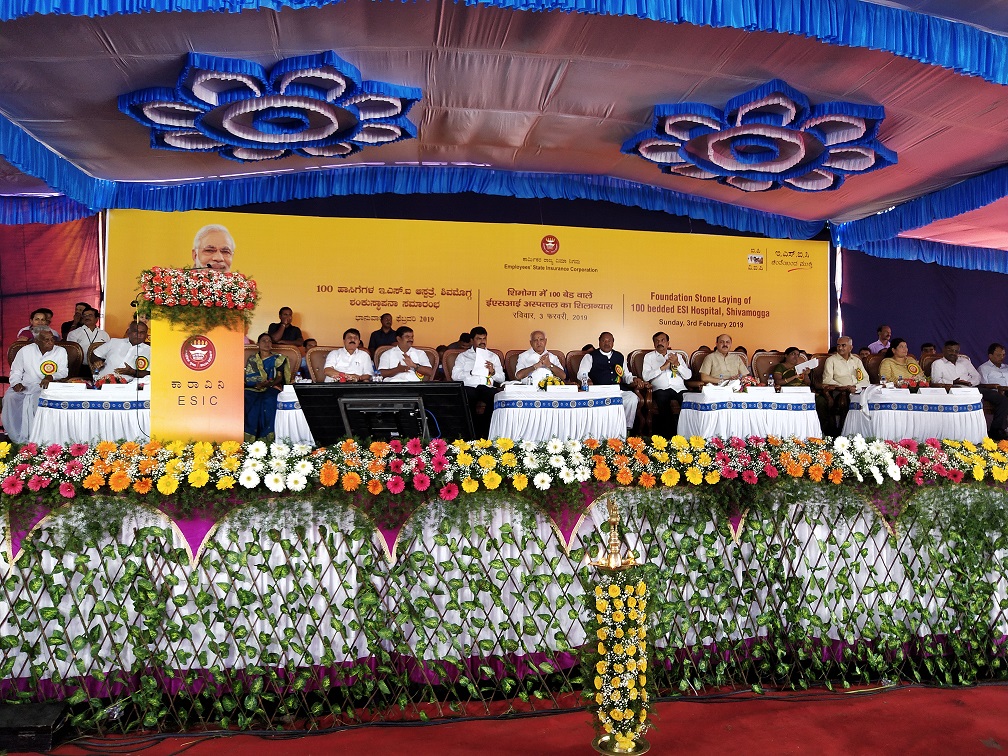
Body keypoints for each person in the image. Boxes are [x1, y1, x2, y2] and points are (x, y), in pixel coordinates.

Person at [932, 340, 1008, 441]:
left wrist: (969, 383)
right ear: (944, 350)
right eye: (950, 350)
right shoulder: (938, 363)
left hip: (972, 388)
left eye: (956, 351)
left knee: (1001, 399)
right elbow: (936, 381)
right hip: (953, 389)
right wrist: (953, 382)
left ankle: (995, 430)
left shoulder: (964, 361)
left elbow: (977, 376)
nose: (953, 353)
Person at [1, 329, 68, 443]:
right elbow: (16, 370)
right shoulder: (25, 350)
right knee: (10, 397)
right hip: (26, 384)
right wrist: (16, 383)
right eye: (46, 340)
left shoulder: (60, 351)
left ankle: (41, 438)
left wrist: (50, 377)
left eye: (52, 339)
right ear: (37, 341)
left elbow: (64, 372)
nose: (51, 342)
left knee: (38, 398)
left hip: (47, 386)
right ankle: (14, 435)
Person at [577, 332, 641, 432]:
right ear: (599, 342)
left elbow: (626, 375)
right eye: (604, 341)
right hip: (599, 391)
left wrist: (633, 379)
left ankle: (626, 428)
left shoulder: (619, 356)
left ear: (613, 343)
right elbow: (581, 373)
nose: (606, 343)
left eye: (609, 341)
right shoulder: (590, 356)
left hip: (617, 390)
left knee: (632, 398)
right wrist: (587, 380)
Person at [452, 326, 505, 438]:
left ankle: (486, 433)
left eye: (484, 338)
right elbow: (455, 376)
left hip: (486, 387)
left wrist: (493, 372)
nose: (482, 341)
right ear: (472, 340)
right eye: (479, 339)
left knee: (494, 397)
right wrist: (470, 372)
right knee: (467, 397)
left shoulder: (493, 356)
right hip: (470, 387)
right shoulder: (463, 356)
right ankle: (471, 434)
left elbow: (501, 379)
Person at [641, 331, 691, 437]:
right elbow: (646, 376)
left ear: (668, 343)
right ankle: (669, 436)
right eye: (657, 341)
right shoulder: (649, 357)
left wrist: (677, 364)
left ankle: (688, 434)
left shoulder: (677, 356)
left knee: (689, 400)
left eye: (662, 340)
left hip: (679, 388)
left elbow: (688, 376)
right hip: (660, 389)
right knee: (662, 399)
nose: (660, 343)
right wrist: (662, 367)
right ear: (654, 344)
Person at [819, 337, 870, 437]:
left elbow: (866, 379)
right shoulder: (831, 360)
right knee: (844, 399)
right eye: (838, 345)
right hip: (839, 391)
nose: (840, 348)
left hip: (857, 390)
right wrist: (845, 387)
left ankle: (863, 432)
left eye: (843, 345)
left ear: (850, 347)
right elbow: (827, 380)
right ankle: (844, 433)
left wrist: (856, 387)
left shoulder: (856, 361)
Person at [244, 333, 291, 441]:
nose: (267, 343)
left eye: (269, 341)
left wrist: (269, 384)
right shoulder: (252, 359)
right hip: (254, 387)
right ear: (258, 344)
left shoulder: (278, 359)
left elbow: (280, 377)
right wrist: (258, 385)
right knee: (247, 398)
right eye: (264, 341)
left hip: (272, 386)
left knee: (270, 400)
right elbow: (249, 377)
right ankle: (248, 437)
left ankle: (268, 437)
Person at [92, 321, 151, 386]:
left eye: (142, 332)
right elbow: (95, 354)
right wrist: (97, 361)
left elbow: (151, 373)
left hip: (128, 386)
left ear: (146, 335)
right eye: (135, 331)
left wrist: (133, 372)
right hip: (102, 382)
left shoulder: (150, 351)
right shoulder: (114, 342)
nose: (138, 335)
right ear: (128, 332)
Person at [66, 307, 109, 377]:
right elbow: (71, 354)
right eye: (85, 315)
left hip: (100, 368)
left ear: (97, 319)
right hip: (80, 368)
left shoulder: (104, 334)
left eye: (90, 315)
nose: (87, 317)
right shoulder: (74, 333)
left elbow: (108, 352)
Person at [980, 343, 1008, 440]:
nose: (1002, 357)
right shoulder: (984, 368)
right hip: (994, 392)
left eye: (1003, 355)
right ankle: (997, 430)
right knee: (1003, 400)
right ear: (990, 356)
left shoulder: (1006, 367)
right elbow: (983, 385)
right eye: (998, 355)